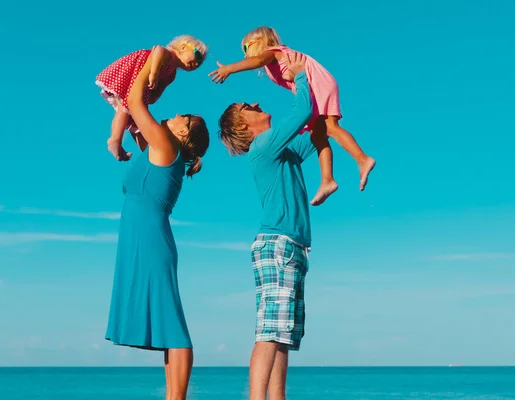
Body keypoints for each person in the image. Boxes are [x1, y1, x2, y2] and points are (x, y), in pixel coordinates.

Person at [105, 44, 209, 400]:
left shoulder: (168, 146)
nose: (177, 113)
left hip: (149, 241)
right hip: (140, 238)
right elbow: (134, 119)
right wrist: (121, 138)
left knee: (174, 327)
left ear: (184, 135)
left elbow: (136, 104)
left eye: (184, 117)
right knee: (167, 326)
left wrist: (146, 69)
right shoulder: (160, 146)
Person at [218, 51, 315, 400]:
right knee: (270, 333)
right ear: (244, 126)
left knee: (283, 335)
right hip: (278, 245)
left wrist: (317, 95)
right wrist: (301, 77)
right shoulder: (263, 145)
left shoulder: (281, 151)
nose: (256, 102)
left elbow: (316, 130)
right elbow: (303, 113)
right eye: (248, 105)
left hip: (292, 246)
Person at [209, 26, 375, 206]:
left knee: (330, 128)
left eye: (246, 48)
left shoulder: (271, 53)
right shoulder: (274, 61)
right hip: (318, 85)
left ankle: (362, 159)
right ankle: (327, 180)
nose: (245, 54)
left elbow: (257, 61)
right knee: (318, 135)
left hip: (318, 85)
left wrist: (229, 69)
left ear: (260, 43)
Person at [96, 35, 208, 161]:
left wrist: (151, 95)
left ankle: (148, 155)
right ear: (183, 47)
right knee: (125, 108)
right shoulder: (169, 56)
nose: (197, 63)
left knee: (134, 120)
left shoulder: (172, 74)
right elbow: (158, 50)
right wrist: (154, 73)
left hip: (142, 85)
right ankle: (115, 139)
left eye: (200, 63)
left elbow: (157, 93)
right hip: (135, 71)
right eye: (198, 56)